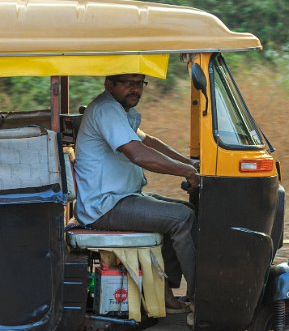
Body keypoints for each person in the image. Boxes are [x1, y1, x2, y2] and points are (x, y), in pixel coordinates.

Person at [74, 74, 199, 312]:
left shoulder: (120, 111)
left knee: (186, 211)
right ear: (109, 83)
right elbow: (138, 154)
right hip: (104, 206)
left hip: (120, 198)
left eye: (139, 83)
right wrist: (187, 171)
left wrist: (190, 164)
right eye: (127, 83)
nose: (135, 89)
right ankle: (204, 297)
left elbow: (147, 142)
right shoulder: (106, 110)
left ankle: (167, 294)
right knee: (182, 218)